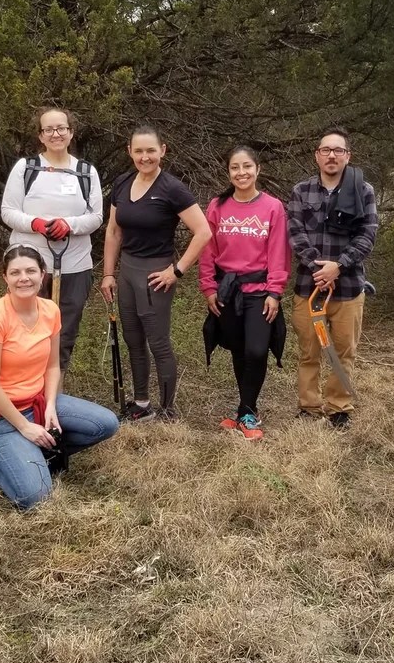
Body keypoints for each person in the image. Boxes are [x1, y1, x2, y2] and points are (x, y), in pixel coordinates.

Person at [0, 245, 119, 510]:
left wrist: (50, 405)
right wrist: (25, 427)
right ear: (5, 278)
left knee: (106, 423)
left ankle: (31, 454)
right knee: (36, 496)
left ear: (42, 274)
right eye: (15, 272)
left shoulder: (50, 310)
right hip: (1, 415)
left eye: (30, 271)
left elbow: (52, 367)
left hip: (38, 402)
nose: (23, 278)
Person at [100, 125, 212, 420]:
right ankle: (141, 404)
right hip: (127, 271)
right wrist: (108, 274)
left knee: (157, 341)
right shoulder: (123, 183)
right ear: (130, 152)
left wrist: (177, 271)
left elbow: (203, 232)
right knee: (132, 338)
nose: (145, 156)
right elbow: (113, 231)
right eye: (139, 151)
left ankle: (167, 409)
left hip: (155, 275)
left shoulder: (172, 188)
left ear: (162, 150)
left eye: (151, 150)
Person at [286, 125, 378, 428]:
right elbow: (295, 234)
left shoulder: (364, 191)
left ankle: (339, 407)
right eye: (326, 150)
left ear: (347, 156)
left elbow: (367, 234)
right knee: (309, 350)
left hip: (348, 287)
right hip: (308, 287)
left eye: (338, 150)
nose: (331, 155)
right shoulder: (302, 191)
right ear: (317, 155)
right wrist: (318, 268)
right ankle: (308, 407)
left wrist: (338, 266)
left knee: (344, 351)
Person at [0, 107, 103, 376]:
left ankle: (52, 395)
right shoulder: (26, 168)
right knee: (25, 329)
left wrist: (69, 225)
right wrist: (34, 223)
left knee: (64, 332)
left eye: (61, 128)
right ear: (41, 136)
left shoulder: (86, 171)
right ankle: (23, 390)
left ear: (71, 133)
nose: (56, 134)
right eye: (49, 129)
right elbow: (8, 211)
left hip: (74, 265)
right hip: (30, 267)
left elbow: (96, 217)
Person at [199, 146, 291, 439]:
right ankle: (245, 411)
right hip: (227, 290)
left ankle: (248, 411)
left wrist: (275, 291)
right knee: (238, 349)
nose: (242, 173)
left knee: (256, 349)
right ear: (229, 172)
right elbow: (207, 250)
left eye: (247, 167)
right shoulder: (217, 206)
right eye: (235, 168)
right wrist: (209, 287)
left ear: (257, 169)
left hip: (259, 291)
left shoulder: (273, 207)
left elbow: (279, 252)